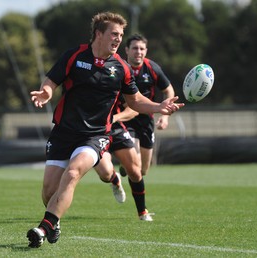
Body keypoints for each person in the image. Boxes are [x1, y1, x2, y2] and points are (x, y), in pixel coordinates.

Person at [26, 12, 183, 248]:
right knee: (49, 191)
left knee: (73, 173)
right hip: (63, 132)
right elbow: (50, 81)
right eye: (114, 34)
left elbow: (136, 100)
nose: (119, 39)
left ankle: (43, 227)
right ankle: (54, 220)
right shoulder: (74, 56)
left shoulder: (121, 67)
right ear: (98, 34)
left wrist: (159, 106)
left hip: (96, 135)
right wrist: (46, 92)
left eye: (121, 35)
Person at [119, 34, 175, 177]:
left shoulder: (152, 68)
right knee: (134, 162)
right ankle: (128, 163)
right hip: (126, 118)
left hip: (146, 119)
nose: (138, 52)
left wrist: (165, 116)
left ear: (146, 51)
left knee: (144, 170)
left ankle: (128, 167)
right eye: (135, 48)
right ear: (127, 50)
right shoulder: (119, 68)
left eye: (141, 48)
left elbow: (169, 90)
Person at [94, 96, 154, 221]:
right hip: (94, 133)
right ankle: (115, 179)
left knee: (136, 171)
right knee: (105, 174)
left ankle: (142, 212)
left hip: (116, 130)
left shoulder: (115, 80)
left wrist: (114, 118)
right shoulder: (81, 83)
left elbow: (133, 110)